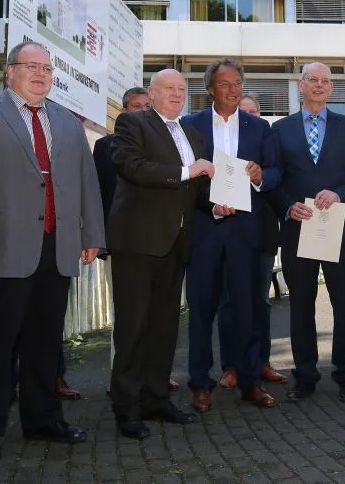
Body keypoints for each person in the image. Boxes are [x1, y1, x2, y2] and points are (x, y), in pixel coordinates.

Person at [0, 40, 105, 465]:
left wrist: (92, 235)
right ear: (8, 71)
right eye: (30, 66)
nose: (41, 74)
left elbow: (87, 182)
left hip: (57, 247)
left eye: (47, 68)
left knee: (45, 343)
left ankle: (43, 419)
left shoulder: (68, 123)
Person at [106, 69, 213, 440]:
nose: (177, 94)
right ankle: (126, 407)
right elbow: (132, 167)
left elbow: (196, 189)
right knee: (133, 328)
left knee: (165, 328)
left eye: (182, 89)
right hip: (137, 243)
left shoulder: (193, 134)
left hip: (177, 244)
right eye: (169, 88)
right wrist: (187, 171)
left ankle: (155, 399)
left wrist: (216, 207)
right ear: (151, 93)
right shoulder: (132, 124)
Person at [268, 63, 345, 403]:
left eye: (325, 81)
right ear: (301, 85)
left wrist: (340, 193)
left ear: (332, 89)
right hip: (299, 229)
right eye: (312, 80)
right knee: (300, 307)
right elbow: (273, 180)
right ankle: (305, 376)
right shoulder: (280, 129)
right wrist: (287, 206)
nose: (318, 85)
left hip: (337, 229)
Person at [182, 60, 281, 412]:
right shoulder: (189, 125)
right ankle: (200, 383)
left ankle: (251, 381)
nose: (234, 90)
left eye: (237, 83)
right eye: (225, 84)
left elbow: (275, 172)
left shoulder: (259, 127)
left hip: (245, 232)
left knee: (248, 309)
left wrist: (258, 176)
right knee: (201, 310)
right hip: (205, 230)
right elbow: (186, 180)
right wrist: (209, 206)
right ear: (211, 89)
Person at [92, 86, 184, 392]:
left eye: (147, 106)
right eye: (136, 106)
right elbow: (101, 193)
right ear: (123, 112)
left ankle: (153, 387)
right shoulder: (109, 146)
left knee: (161, 322)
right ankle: (124, 389)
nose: (143, 111)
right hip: (127, 244)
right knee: (129, 321)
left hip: (169, 243)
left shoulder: (178, 139)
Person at [216, 94, 288, 390]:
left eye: (253, 113)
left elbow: (277, 175)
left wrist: (261, 176)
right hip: (224, 231)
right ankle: (231, 366)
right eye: (241, 112)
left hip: (261, 234)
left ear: (260, 115)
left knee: (261, 301)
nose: (247, 117)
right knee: (229, 302)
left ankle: (262, 361)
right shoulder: (220, 140)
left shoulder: (267, 138)